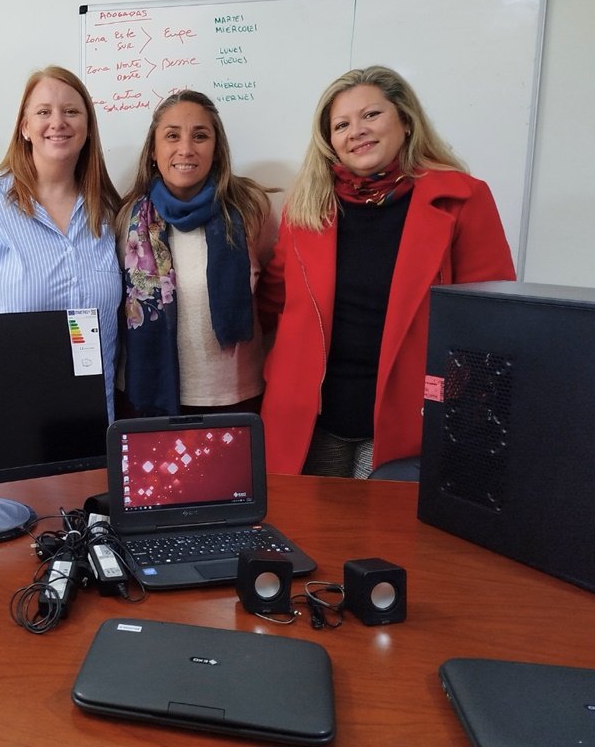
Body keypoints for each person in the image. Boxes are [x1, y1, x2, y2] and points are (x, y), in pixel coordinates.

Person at [257, 65, 515, 478]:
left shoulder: (462, 199)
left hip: (407, 416)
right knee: (305, 519)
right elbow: (273, 298)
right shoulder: (306, 207)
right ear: (330, 142)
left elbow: (490, 318)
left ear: (406, 121)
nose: (356, 131)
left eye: (371, 115)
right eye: (341, 125)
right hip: (309, 414)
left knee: (381, 520)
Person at [0, 66, 121, 421]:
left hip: (93, 418)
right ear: (25, 127)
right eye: (44, 111)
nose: (58, 122)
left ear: (88, 127)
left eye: (71, 111)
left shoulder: (109, 210)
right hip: (6, 418)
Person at [118, 90, 277, 418]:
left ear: (217, 150)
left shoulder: (251, 210)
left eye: (200, 136)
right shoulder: (126, 219)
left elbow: (276, 299)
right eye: (172, 136)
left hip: (235, 401)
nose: (186, 149)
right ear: (153, 150)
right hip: (145, 401)